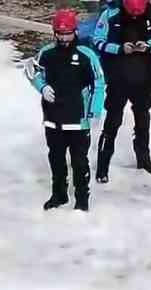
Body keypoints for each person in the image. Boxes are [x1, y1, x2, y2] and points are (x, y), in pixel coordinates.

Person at [29, 8, 106, 211]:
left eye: (67, 34)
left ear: (76, 32)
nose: (64, 38)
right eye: (60, 34)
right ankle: (59, 195)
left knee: (80, 163)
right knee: (56, 159)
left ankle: (82, 200)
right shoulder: (46, 53)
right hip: (53, 119)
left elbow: (98, 84)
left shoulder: (86, 55)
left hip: (78, 120)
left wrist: (95, 112)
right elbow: (32, 72)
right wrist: (42, 87)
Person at [91, 0, 151, 181]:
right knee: (112, 120)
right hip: (118, 77)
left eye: (138, 13)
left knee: (143, 119)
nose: (135, 16)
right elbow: (97, 40)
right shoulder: (109, 14)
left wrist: (149, 44)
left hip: (143, 76)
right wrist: (118, 48)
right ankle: (103, 166)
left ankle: (144, 159)